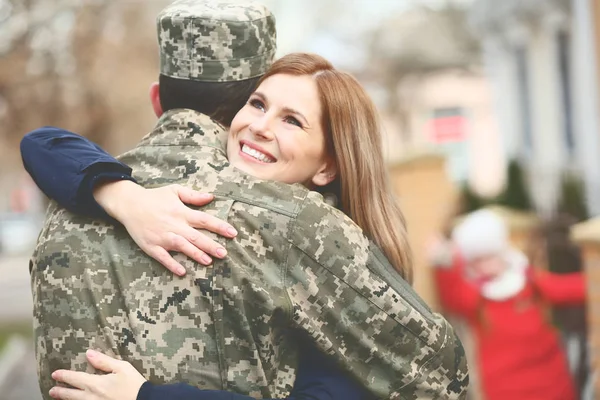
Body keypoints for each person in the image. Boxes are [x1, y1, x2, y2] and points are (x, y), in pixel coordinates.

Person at [25, 3, 469, 400]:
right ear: (234, 109)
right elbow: (41, 142)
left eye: (292, 121)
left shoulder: (313, 236)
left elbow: (442, 375)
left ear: (328, 167)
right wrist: (125, 198)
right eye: (257, 104)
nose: (260, 126)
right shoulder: (125, 196)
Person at [429, 209, 585, 400]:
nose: (486, 265)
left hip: (554, 386)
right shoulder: (475, 298)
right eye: (478, 260)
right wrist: (443, 259)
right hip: (506, 391)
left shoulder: (529, 283)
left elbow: (571, 288)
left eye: (491, 256)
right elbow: (450, 292)